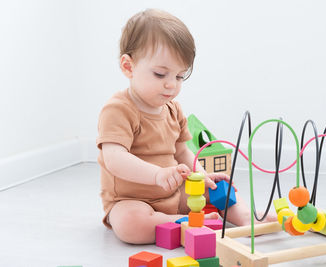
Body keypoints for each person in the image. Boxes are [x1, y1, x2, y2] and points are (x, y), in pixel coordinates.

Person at [96, 8, 276, 244]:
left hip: (175, 193)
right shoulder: (118, 109)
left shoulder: (173, 109)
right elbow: (115, 158)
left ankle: (243, 216)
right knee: (131, 225)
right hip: (133, 200)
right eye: (161, 74)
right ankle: (182, 224)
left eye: (180, 76)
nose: (171, 85)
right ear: (128, 67)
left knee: (219, 186)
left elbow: (182, 151)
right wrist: (157, 175)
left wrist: (200, 176)